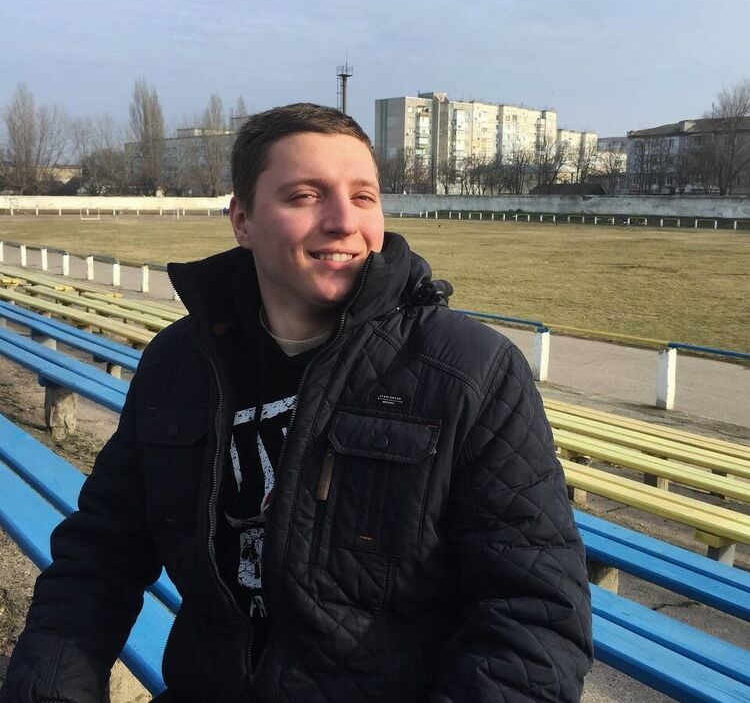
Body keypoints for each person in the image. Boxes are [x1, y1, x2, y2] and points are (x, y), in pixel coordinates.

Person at [1, 103, 593, 703]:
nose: (344, 221)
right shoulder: (179, 361)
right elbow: (101, 555)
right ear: (242, 220)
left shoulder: (470, 370)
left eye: (363, 197)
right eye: (306, 196)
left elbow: (536, 617)